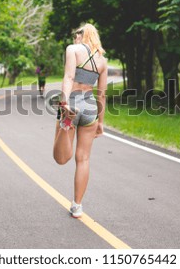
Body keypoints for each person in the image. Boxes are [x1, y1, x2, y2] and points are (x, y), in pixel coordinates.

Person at [53, 23, 108, 218]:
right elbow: (102, 94)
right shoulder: (102, 60)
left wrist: (64, 102)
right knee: (83, 158)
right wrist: (100, 122)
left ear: (81, 36)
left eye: (76, 35)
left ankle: (66, 122)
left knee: (61, 158)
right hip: (91, 106)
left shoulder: (73, 49)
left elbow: (68, 76)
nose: (75, 38)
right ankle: (77, 205)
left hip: (73, 103)